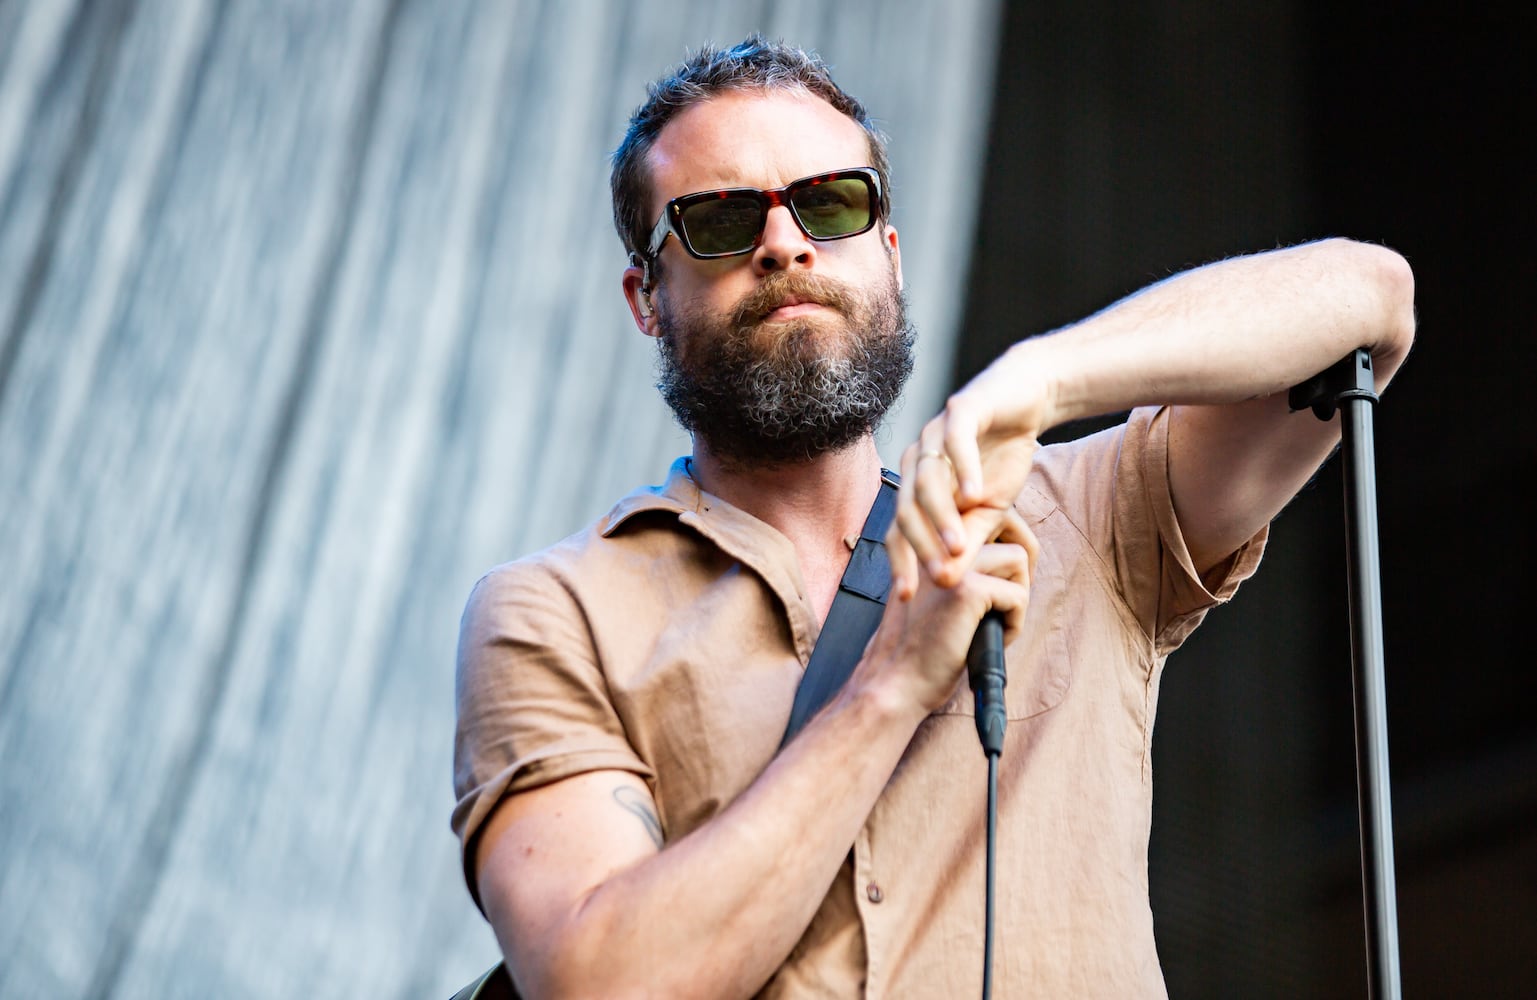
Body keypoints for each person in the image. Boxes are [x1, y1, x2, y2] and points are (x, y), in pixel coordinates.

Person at [450, 34, 1416, 999]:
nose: (784, 243)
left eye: (831, 204)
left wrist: (1047, 375)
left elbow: (1369, 300)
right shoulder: (551, 611)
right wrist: (889, 685)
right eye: (718, 220)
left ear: (890, 256)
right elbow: (595, 983)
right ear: (645, 298)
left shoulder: (1079, 510)